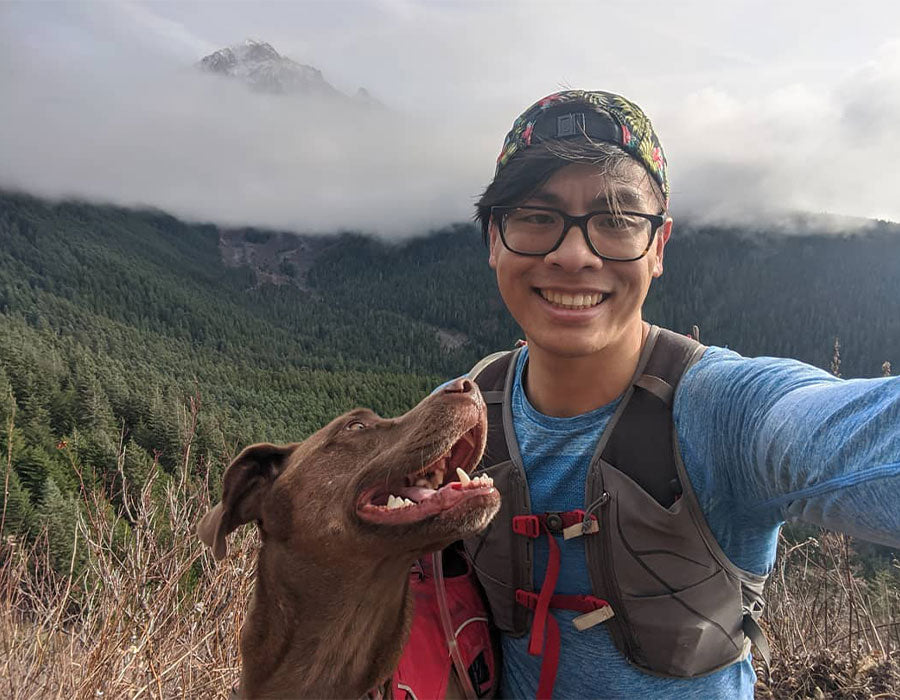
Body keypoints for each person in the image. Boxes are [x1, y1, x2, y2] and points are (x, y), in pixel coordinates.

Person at [438, 90, 899, 699]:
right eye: (535, 217)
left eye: (617, 222)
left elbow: (845, 435)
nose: (574, 255)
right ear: (494, 237)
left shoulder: (723, 411)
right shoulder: (463, 412)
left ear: (657, 246)